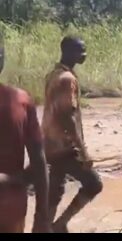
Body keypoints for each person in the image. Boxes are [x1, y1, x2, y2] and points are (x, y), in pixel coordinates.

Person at [42, 36, 103, 233]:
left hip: (51, 143)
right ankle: (60, 225)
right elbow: (69, 117)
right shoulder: (67, 79)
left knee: (56, 189)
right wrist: (83, 151)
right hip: (64, 145)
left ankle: (45, 228)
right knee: (94, 184)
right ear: (68, 52)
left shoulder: (53, 74)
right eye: (80, 51)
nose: (84, 55)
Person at [0, 39, 51, 233]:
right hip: (11, 208)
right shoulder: (21, 101)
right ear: (2, 61)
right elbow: (39, 161)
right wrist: (43, 218)